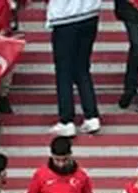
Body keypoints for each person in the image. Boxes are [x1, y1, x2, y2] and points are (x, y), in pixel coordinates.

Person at [46, 0, 101, 137]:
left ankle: (66, 120)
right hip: (90, 14)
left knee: (64, 71)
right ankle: (91, 116)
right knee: (82, 68)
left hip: (65, 18)